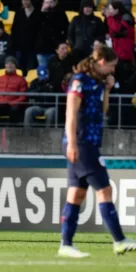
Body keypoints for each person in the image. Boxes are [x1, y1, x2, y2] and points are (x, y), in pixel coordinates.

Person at [58, 46, 136, 258]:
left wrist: (108, 90)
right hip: (82, 143)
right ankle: (119, 240)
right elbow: (71, 114)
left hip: (89, 142)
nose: (113, 70)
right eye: (111, 66)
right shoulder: (79, 80)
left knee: (76, 194)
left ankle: (66, 244)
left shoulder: (97, 83)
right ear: (102, 62)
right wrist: (72, 143)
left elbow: (101, 110)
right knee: (105, 189)